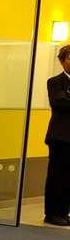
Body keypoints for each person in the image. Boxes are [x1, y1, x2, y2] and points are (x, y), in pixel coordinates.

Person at [43, 45, 70, 226]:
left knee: (68, 177)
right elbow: (60, 103)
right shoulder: (55, 82)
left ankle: (63, 212)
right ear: (62, 61)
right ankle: (52, 213)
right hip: (60, 137)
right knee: (56, 176)